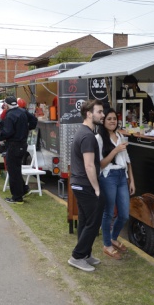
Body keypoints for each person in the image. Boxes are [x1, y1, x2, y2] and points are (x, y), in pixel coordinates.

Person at [67, 99, 106, 273]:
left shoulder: (83, 132)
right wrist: (97, 188)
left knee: (85, 220)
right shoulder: (88, 136)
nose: (102, 115)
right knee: (93, 221)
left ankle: (85, 254)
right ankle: (77, 256)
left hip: (79, 184)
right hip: (85, 185)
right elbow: (89, 165)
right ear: (89, 114)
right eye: (99, 112)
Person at [96, 108, 135, 260]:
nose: (112, 121)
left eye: (114, 118)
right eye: (109, 119)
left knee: (124, 214)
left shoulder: (120, 136)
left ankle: (113, 238)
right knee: (109, 213)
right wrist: (115, 150)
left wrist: (132, 180)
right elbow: (100, 164)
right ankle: (107, 245)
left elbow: (128, 160)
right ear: (103, 121)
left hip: (122, 176)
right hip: (109, 176)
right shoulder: (99, 138)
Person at [0, 96, 29, 204]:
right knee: (16, 169)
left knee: (13, 171)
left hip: (14, 145)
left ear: (6, 105)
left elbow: (7, 131)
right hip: (23, 144)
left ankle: (17, 197)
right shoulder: (23, 111)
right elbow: (33, 120)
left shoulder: (10, 115)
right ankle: (23, 189)